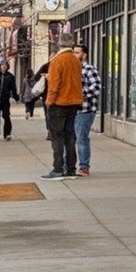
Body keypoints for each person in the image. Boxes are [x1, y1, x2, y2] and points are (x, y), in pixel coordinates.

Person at [43, 42, 82, 178]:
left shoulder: (57, 61)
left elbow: (54, 85)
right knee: (70, 136)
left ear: (59, 45)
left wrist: (49, 101)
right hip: (73, 103)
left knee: (57, 137)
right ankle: (71, 168)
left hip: (59, 103)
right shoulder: (76, 61)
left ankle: (58, 168)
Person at [72, 45, 101, 177]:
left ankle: (84, 167)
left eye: (77, 52)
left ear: (84, 55)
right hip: (71, 109)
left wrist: (80, 93)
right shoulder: (72, 69)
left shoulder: (89, 69)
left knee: (81, 139)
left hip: (85, 110)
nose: (74, 54)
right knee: (70, 139)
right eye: (73, 52)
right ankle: (69, 166)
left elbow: (96, 88)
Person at [0, 59, 18, 140]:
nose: (4, 66)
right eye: (2, 65)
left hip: (5, 100)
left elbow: (13, 88)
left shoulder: (10, 76)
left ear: (7, 66)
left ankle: (7, 134)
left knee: (6, 116)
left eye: (5, 65)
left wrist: (16, 97)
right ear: (0, 66)